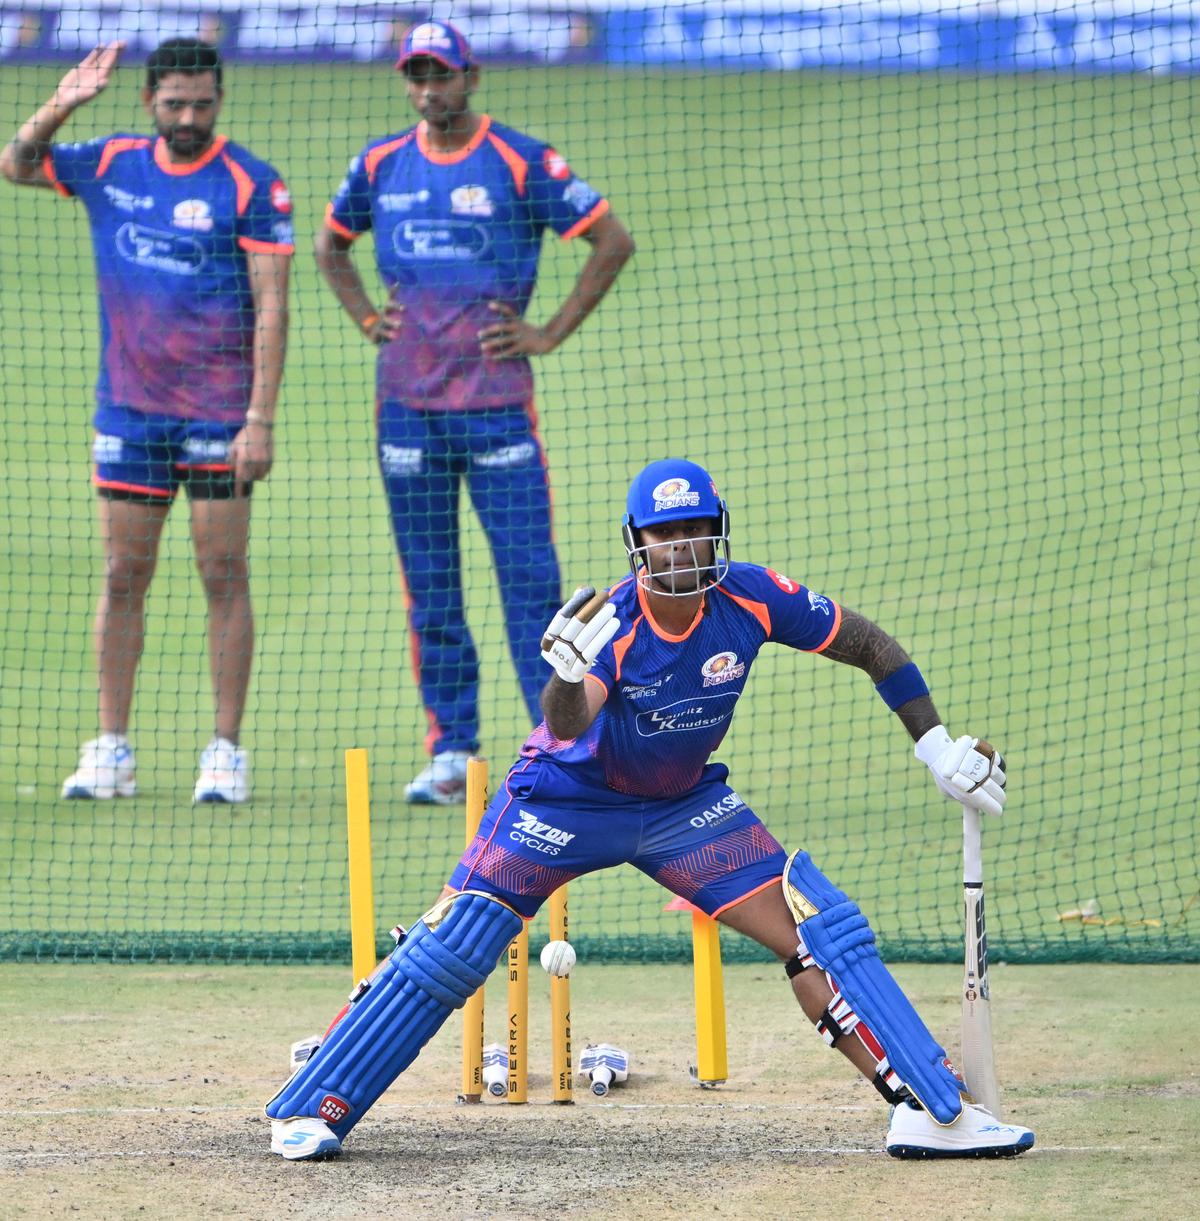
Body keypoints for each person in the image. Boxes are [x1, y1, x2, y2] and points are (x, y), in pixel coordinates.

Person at [265, 457, 1035, 1162]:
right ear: (640, 542)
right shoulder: (616, 623)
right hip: (564, 802)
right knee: (455, 943)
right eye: (665, 534)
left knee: (816, 926)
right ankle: (315, 1106)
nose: (681, 548)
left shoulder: (754, 598)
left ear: (716, 532)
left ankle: (928, 1109)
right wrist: (564, 676)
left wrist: (935, 747)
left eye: (695, 530)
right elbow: (567, 722)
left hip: (681, 808)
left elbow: (871, 646)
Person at [314, 19, 635, 806]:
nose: (429, 89)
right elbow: (329, 246)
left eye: (442, 74)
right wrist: (365, 318)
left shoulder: (521, 160)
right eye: (416, 75)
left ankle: (558, 747)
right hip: (407, 412)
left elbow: (612, 241)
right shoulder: (380, 163)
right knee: (431, 586)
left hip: (497, 413)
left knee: (532, 582)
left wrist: (548, 331)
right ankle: (452, 751)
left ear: (472, 76)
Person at [0, 39, 294, 803]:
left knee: (222, 573)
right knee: (123, 574)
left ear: (219, 99)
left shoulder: (251, 183)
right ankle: (111, 749)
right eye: (174, 105)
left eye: (201, 104)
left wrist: (258, 419)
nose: (189, 118)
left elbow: (273, 306)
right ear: (147, 103)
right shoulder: (110, 162)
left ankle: (225, 751)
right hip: (128, 414)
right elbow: (17, 163)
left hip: (219, 417)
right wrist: (63, 102)